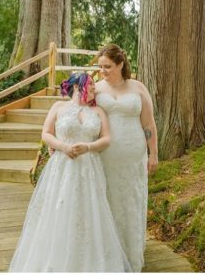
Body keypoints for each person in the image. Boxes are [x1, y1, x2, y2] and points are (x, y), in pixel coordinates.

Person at [9, 72, 130, 272]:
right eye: (90, 85)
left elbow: (106, 139)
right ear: (77, 86)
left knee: (90, 211)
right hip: (62, 168)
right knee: (60, 209)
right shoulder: (58, 107)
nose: (94, 88)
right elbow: (46, 133)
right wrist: (63, 146)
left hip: (89, 169)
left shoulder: (99, 112)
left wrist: (89, 147)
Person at [93, 44, 159, 272]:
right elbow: (79, 114)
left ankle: (131, 250)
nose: (103, 71)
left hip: (133, 155)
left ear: (121, 64)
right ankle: (109, 252)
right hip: (106, 155)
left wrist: (153, 155)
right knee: (108, 198)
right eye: (100, 66)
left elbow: (149, 124)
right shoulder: (96, 89)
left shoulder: (138, 88)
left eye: (108, 66)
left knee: (131, 199)